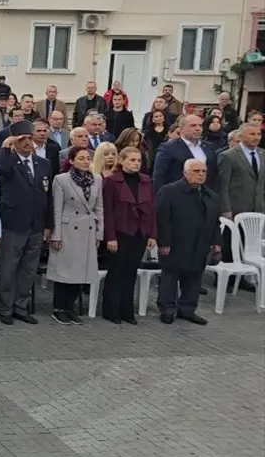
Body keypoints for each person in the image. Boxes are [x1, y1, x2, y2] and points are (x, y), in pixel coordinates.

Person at [0, 120, 54, 324]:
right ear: (15, 141)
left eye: (30, 138)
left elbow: (48, 195)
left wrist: (48, 224)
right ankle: (5, 308)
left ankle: (21, 306)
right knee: (9, 268)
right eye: (23, 139)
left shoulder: (43, 164)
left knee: (28, 270)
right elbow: (2, 170)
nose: (28, 142)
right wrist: (6, 146)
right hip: (14, 223)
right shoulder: (9, 161)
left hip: (36, 224)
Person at [156, 159, 221, 325]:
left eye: (203, 171)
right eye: (196, 171)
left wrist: (217, 242)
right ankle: (167, 310)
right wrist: (164, 242)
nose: (201, 174)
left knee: (194, 278)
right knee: (170, 277)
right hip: (175, 243)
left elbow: (215, 222)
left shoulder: (211, 196)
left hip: (200, 243)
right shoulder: (169, 191)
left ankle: (187, 310)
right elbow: (162, 218)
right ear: (185, 173)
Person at [47, 146, 103, 325]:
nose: (86, 161)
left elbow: (99, 208)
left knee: (80, 271)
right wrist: (56, 234)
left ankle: (70, 307)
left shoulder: (97, 179)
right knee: (64, 271)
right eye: (81, 158)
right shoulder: (61, 179)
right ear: (71, 161)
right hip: (68, 228)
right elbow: (57, 208)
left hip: (87, 228)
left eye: (88, 158)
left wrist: (99, 233)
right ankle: (58, 308)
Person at [100, 146, 157, 324]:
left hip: (140, 233)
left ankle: (127, 311)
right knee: (116, 271)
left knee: (131, 272)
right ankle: (111, 310)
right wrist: (110, 237)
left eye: (138, 160)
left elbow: (152, 209)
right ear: (122, 161)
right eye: (132, 160)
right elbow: (107, 212)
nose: (136, 163)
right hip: (119, 233)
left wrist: (153, 234)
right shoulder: (111, 182)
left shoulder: (146, 181)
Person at [218, 123, 264, 285]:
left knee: (247, 242)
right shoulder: (229, 156)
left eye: (258, 134)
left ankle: (242, 278)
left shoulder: (262, 154)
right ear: (241, 136)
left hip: (256, 207)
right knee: (230, 242)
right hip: (235, 206)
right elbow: (223, 185)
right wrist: (226, 209)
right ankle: (226, 279)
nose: (256, 137)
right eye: (252, 134)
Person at [152, 114, 219, 192]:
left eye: (200, 126)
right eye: (193, 125)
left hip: (205, 194)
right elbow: (159, 177)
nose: (198, 129)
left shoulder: (209, 147)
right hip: (179, 194)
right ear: (181, 128)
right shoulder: (168, 148)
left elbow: (214, 174)